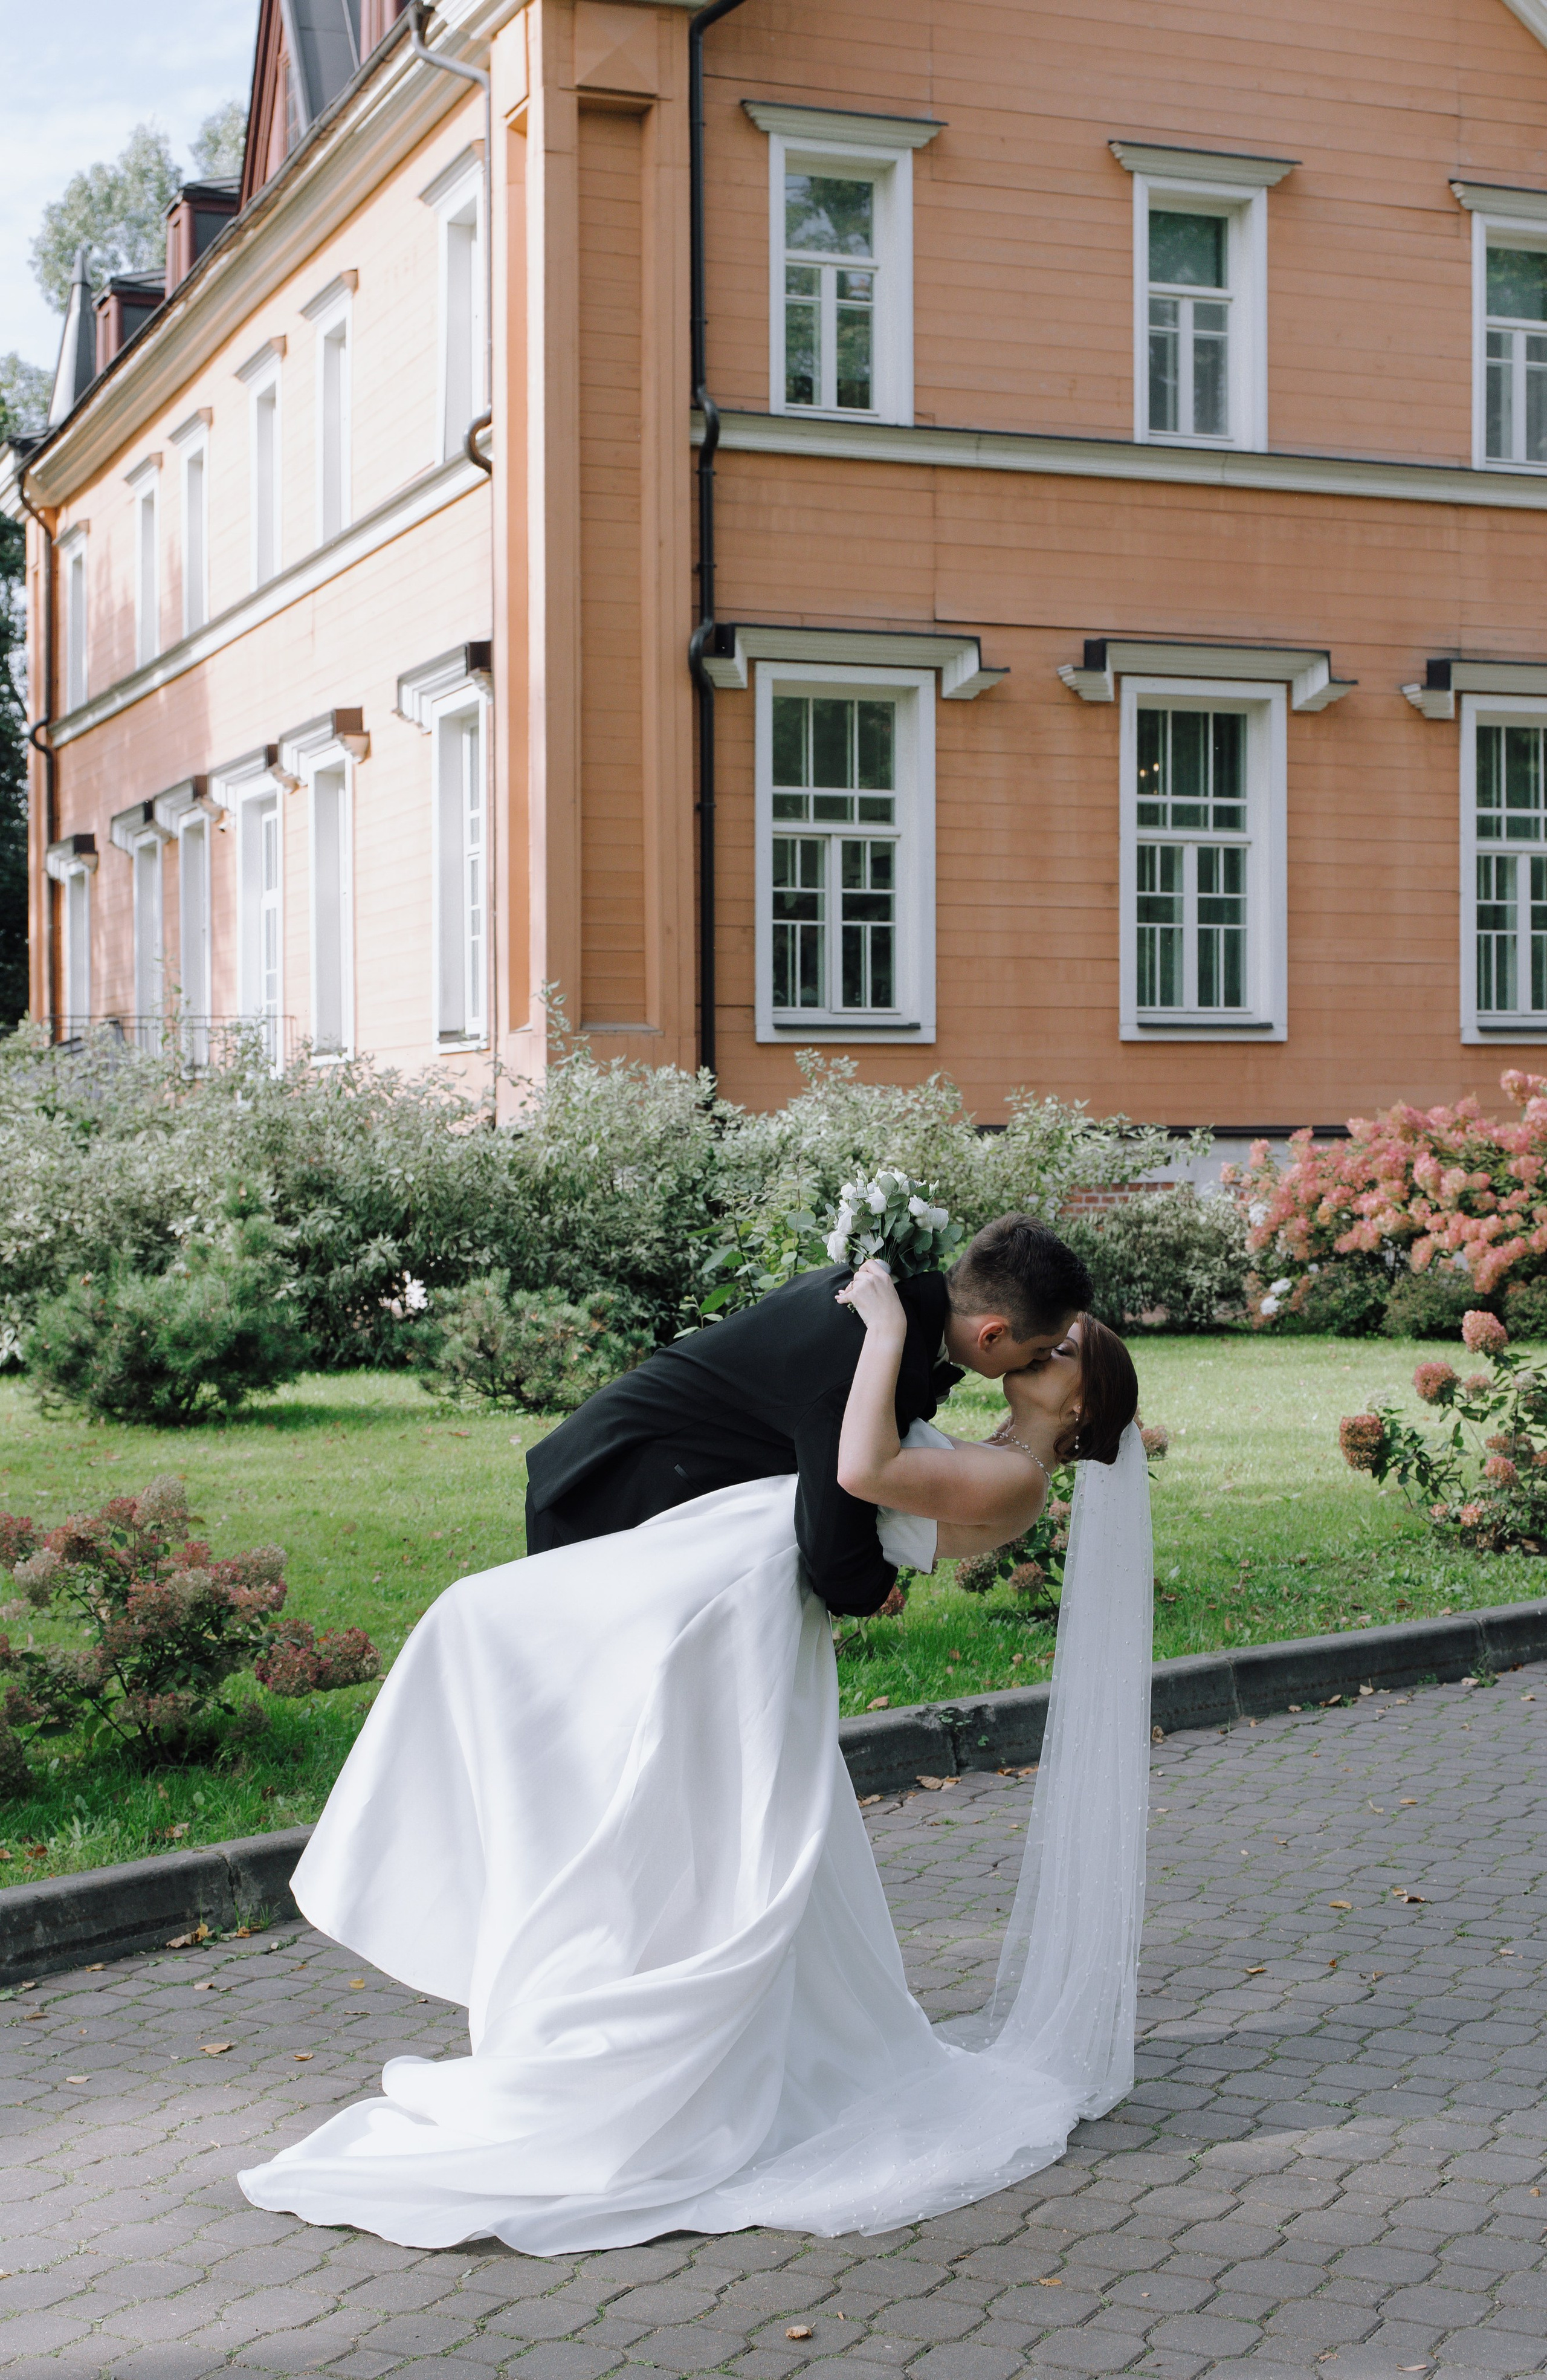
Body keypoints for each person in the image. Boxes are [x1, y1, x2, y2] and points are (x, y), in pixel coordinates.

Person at [239, 1258, 1149, 2257]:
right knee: (521, 1661)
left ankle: (649, 2032)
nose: (1048, 1346)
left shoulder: (1017, 1480)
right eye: (1050, 1337)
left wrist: (883, 1335)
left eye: (1066, 1352)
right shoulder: (992, 1448)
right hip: (724, 1553)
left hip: (742, 1591)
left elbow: (861, 1472)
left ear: (1081, 1407)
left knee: (611, 1733)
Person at [526, 1213, 1094, 1614]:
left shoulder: (884, 1305)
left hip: (624, 1479)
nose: (1037, 1363)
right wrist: (874, 1588)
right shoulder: (873, 1352)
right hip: (606, 1498)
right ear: (992, 1333)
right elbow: (834, 1553)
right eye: (1040, 1350)